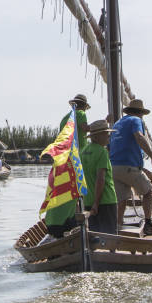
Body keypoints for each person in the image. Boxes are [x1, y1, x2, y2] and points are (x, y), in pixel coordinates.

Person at [108, 98, 152, 235]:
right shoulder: (136, 121)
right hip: (129, 166)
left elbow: (110, 144)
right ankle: (148, 224)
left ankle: (118, 225)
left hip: (114, 167)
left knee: (122, 198)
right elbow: (139, 136)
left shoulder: (118, 123)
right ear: (140, 113)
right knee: (148, 192)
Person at [44, 94, 91, 237]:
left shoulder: (65, 117)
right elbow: (84, 128)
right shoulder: (81, 113)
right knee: (78, 187)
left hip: (64, 155)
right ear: (83, 106)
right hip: (76, 155)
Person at [81, 119, 118, 235]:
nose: (108, 136)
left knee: (94, 237)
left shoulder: (83, 152)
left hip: (88, 201)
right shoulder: (102, 152)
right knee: (110, 237)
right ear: (96, 136)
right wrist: (96, 203)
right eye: (105, 133)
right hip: (105, 201)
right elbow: (100, 178)